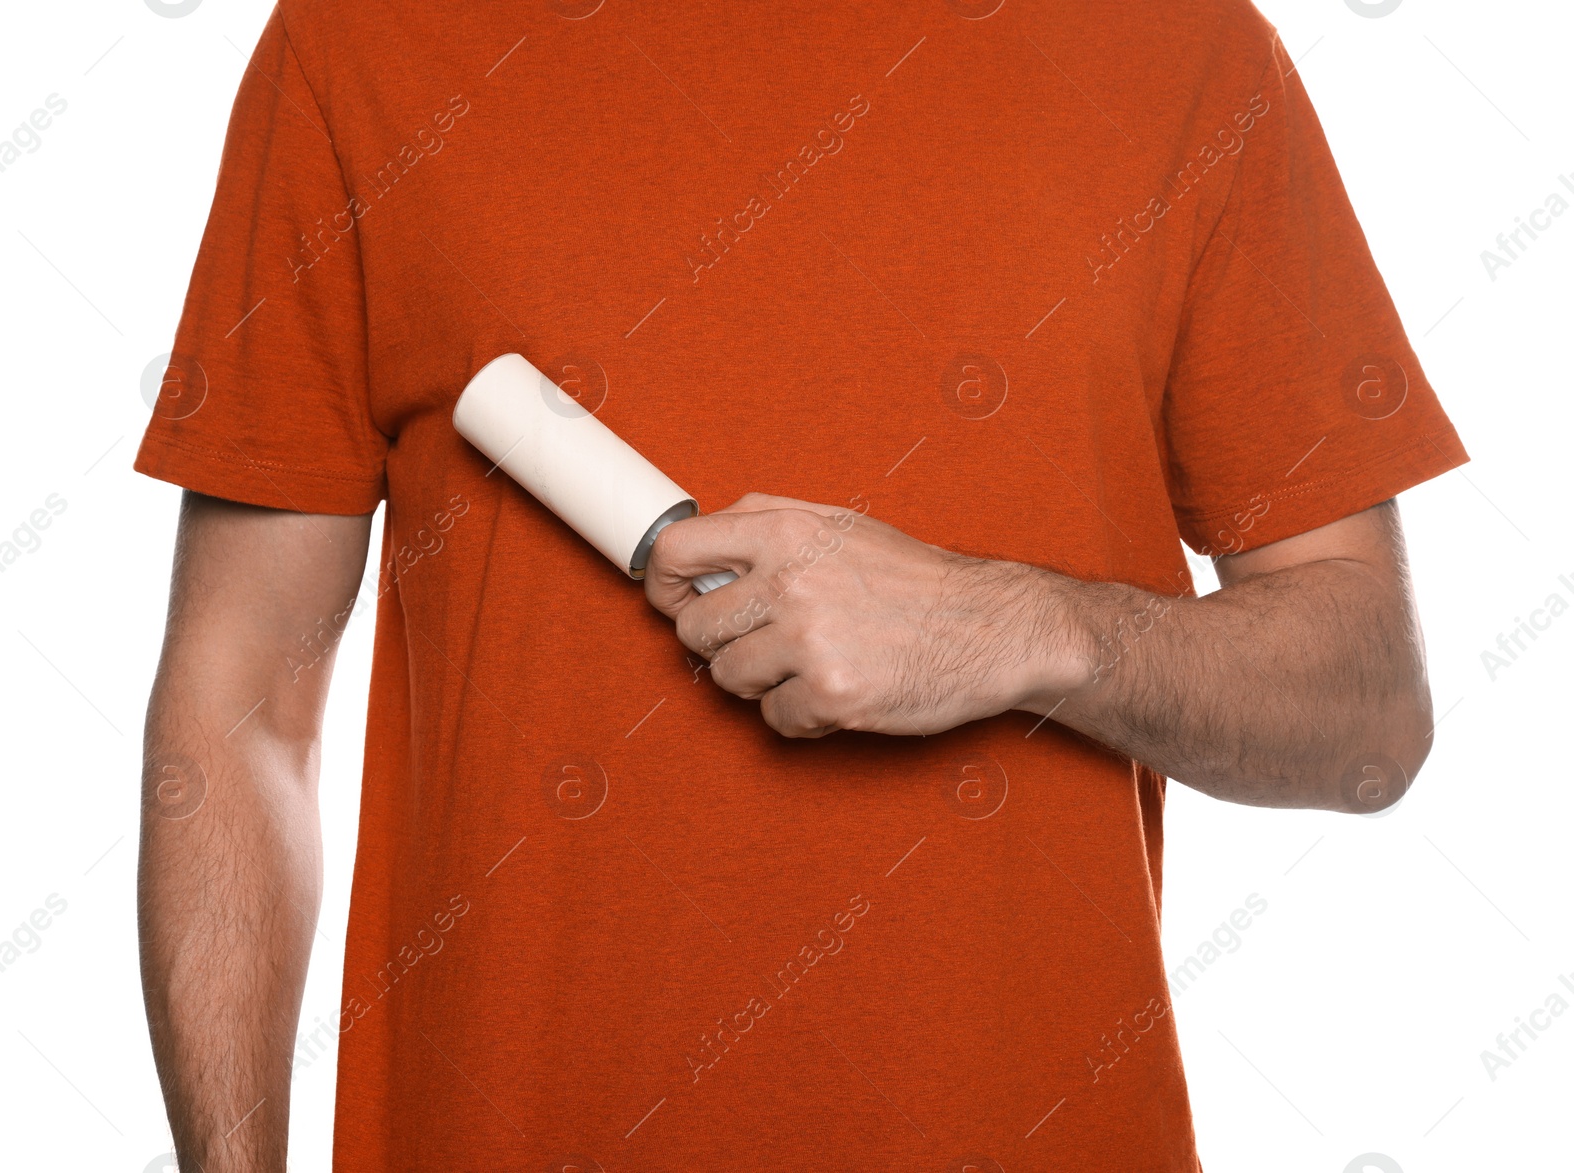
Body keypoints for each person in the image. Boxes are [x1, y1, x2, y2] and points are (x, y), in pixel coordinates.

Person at [134, 1, 1467, 1169]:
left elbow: (1369, 714)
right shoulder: (363, 42)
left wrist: (1023, 628)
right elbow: (236, 704)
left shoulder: (1181, 47)